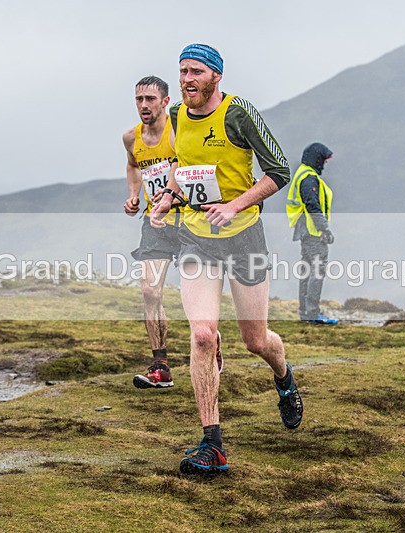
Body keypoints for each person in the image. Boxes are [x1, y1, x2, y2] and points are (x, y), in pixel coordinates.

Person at [151, 44, 303, 475]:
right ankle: (212, 444)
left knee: (256, 341)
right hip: (198, 239)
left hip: (244, 238)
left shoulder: (239, 114)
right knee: (202, 336)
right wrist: (168, 198)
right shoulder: (177, 116)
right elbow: (185, 168)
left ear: (216, 76)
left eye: (195, 72)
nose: (186, 80)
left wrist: (235, 205)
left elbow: (279, 171)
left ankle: (284, 376)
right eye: (182, 72)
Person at [122, 75, 182, 389]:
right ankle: (160, 366)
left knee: (197, 296)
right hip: (153, 224)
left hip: (188, 222)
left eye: (150, 99)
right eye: (139, 99)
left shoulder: (180, 130)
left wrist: (170, 201)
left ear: (165, 102)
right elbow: (133, 165)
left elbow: (186, 169)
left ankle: (210, 341)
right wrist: (134, 196)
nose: (144, 106)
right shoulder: (131, 137)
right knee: (149, 290)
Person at [286, 142, 339, 325]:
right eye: (323, 161)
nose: (324, 165)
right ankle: (312, 313)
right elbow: (313, 206)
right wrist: (325, 229)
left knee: (307, 271)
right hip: (312, 231)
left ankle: (306, 313)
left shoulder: (303, 174)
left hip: (304, 231)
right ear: (317, 159)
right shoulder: (309, 179)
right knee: (316, 270)